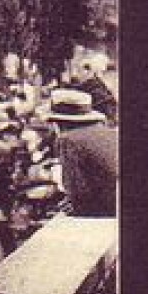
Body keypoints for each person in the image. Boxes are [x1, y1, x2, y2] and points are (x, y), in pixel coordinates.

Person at [47, 89, 118, 217]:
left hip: (107, 208)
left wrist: (74, 205)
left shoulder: (68, 140)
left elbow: (78, 190)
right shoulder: (109, 132)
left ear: (58, 123)